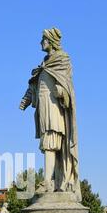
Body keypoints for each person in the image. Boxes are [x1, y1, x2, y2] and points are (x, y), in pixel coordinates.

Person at [19, 28, 81, 201]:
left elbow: (67, 84)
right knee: (49, 144)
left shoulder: (62, 59)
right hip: (44, 109)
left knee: (51, 143)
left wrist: (62, 91)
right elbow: (35, 85)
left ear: (51, 41)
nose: (41, 43)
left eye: (43, 40)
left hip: (55, 110)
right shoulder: (44, 64)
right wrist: (26, 99)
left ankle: (48, 181)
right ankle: (52, 181)